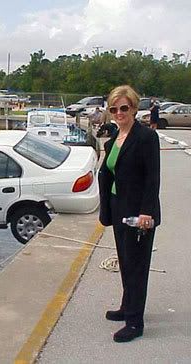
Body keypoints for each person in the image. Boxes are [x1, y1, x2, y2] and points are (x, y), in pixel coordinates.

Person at [98, 85, 161, 343]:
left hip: (138, 212)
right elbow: (109, 174)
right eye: (114, 108)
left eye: (124, 108)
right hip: (118, 207)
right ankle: (127, 306)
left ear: (134, 108)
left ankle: (135, 322)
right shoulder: (114, 139)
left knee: (136, 266)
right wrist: (107, 210)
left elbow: (152, 178)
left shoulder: (146, 137)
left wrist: (147, 211)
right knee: (125, 261)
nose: (119, 112)